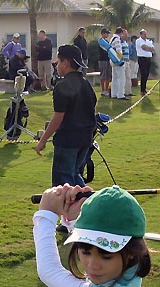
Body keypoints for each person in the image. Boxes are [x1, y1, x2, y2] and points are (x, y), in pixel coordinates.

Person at [35, 45, 96, 188]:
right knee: (75, 175)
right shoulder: (86, 84)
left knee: (63, 183)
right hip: (85, 138)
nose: (56, 64)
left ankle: (68, 209)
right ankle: (85, 205)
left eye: (58, 60)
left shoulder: (62, 85)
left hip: (68, 140)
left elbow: (58, 117)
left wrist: (43, 140)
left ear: (66, 63)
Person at [110, 27, 128, 100]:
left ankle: (114, 94)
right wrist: (121, 59)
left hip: (112, 60)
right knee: (121, 78)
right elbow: (119, 50)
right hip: (117, 60)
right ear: (120, 33)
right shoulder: (117, 39)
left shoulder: (112, 39)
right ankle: (120, 94)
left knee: (114, 78)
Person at [135, 29, 155, 95]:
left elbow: (153, 49)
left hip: (148, 59)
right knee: (143, 74)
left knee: (146, 74)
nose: (145, 35)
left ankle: (144, 89)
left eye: (146, 34)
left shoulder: (148, 41)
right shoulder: (139, 40)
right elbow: (144, 47)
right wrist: (149, 48)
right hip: (142, 59)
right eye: (144, 34)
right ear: (141, 34)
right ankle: (142, 90)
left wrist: (149, 48)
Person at [97, 27, 112, 97]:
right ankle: (103, 90)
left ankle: (106, 89)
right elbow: (106, 49)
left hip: (108, 59)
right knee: (103, 75)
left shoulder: (107, 41)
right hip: (102, 60)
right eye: (106, 33)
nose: (107, 35)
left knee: (108, 75)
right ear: (103, 33)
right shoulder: (100, 41)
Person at [122, 29, 133, 97]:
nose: (126, 36)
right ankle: (123, 92)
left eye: (127, 34)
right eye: (125, 34)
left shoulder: (125, 42)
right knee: (123, 77)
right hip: (123, 61)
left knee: (128, 77)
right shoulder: (119, 42)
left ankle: (128, 91)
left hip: (127, 61)